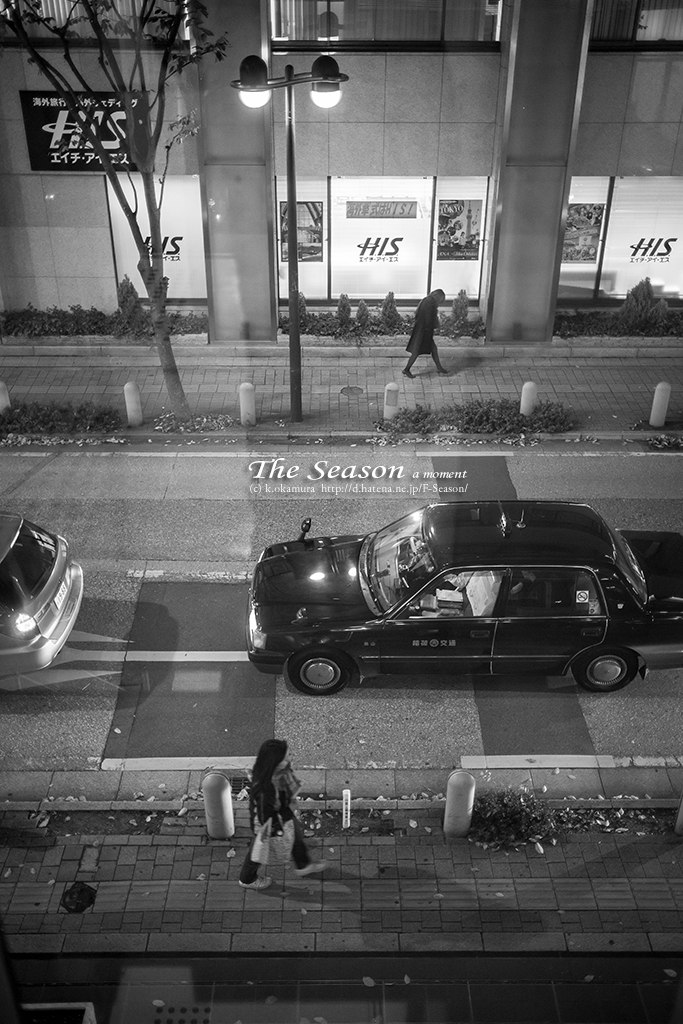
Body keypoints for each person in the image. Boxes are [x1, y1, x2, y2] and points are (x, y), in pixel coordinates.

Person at [239, 738, 327, 890]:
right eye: (286, 756)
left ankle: (303, 864)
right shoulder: (266, 789)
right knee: (257, 851)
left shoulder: (270, 771)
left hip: (279, 813)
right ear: (276, 761)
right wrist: (289, 810)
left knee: (294, 831)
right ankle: (246, 879)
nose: (290, 757)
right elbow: (265, 817)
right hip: (268, 825)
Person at [402, 288, 448, 378]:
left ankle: (439, 367)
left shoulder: (426, 300)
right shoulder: (430, 304)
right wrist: (435, 325)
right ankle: (406, 369)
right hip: (424, 332)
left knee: (433, 349)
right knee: (416, 351)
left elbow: (419, 315)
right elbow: (429, 319)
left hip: (421, 330)